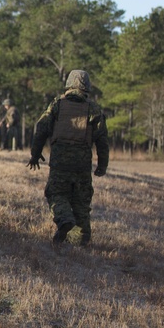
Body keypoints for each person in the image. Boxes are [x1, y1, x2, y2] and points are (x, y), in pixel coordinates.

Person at [27, 70, 109, 248]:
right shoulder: (93, 108)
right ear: (87, 86)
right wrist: (102, 165)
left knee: (56, 194)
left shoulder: (57, 104)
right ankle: (80, 239)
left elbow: (41, 128)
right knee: (81, 201)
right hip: (82, 164)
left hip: (60, 161)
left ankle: (64, 219)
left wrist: (35, 153)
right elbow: (102, 140)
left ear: (69, 84)